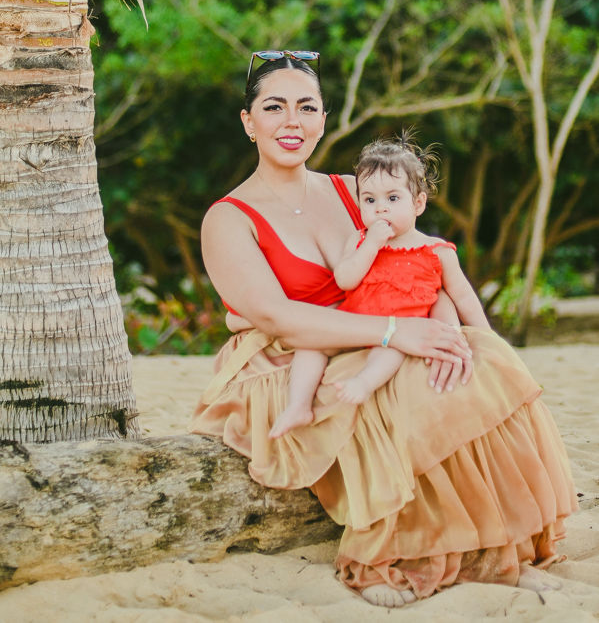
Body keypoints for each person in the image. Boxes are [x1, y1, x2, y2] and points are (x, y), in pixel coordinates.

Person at [191, 50, 577, 609]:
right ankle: (398, 555)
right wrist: (395, 332)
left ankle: (502, 556)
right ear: (249, 122)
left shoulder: (359, 189)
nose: (292, 122)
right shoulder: (227, 217)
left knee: (482, 363)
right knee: (397, 389)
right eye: (274, 107)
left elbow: (418, 268)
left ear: (324, 119)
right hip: (289, 356)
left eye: (307, 107)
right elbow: (274, 318)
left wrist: (445, 331)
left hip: (374, 330)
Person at [268, 133, 493, 439]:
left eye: (393, 198)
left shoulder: (436, 251)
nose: (380, 209)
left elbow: (463, 296)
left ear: (418, 204)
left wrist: (485, 335)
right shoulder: (360, 239)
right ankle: (298, 405)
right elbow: (345, 279)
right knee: (312, 344)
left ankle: (363, 383)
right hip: (355, 323)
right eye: (370, 200)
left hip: (401, 331)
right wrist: (371, 245)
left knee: (390, 353)